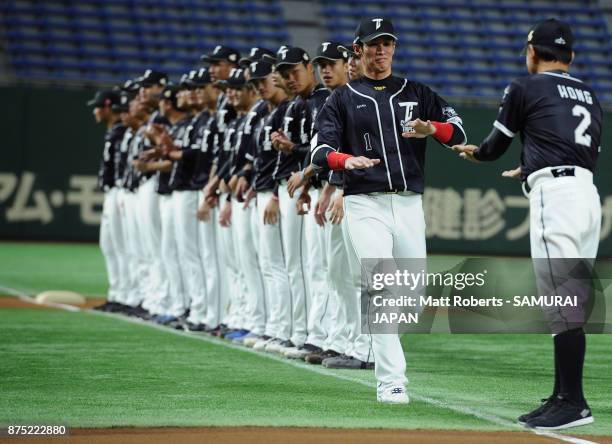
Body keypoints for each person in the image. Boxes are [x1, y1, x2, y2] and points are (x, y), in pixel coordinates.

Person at [452, 18, 602, 430]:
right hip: (586, 195)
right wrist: (533, 163)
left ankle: (572, 402)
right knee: (571, 298)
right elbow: (577, 150)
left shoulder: (525, 85)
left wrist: (476, 154)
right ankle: (563, 396)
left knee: (563, 300)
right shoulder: (589, 93)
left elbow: (494, 147)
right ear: (570, 55)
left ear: (532, 52)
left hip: (556, 198)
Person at [311, 17, 466, 403]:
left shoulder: (416, 92)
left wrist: (433, 129)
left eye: (387, 43)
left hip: (409, 203)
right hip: (364, 204)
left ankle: (386, 358)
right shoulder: (341, 98)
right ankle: (391, 381)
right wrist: (345, 161)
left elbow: (458, 132)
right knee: (380, 286)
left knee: (409, 297)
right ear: (358, 50)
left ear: (394, 48)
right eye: (373, 44)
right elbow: (319, 151)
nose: (381, 50)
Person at [88, 90, 127, 312]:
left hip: (120, 191)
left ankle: (126, 295)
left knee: (122, 246)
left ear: (108, 107)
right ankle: (117, 293)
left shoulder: (121, 132)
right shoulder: (114, 132)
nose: (95, 111)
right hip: (112, 192)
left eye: (98, 106)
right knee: (109, 245)